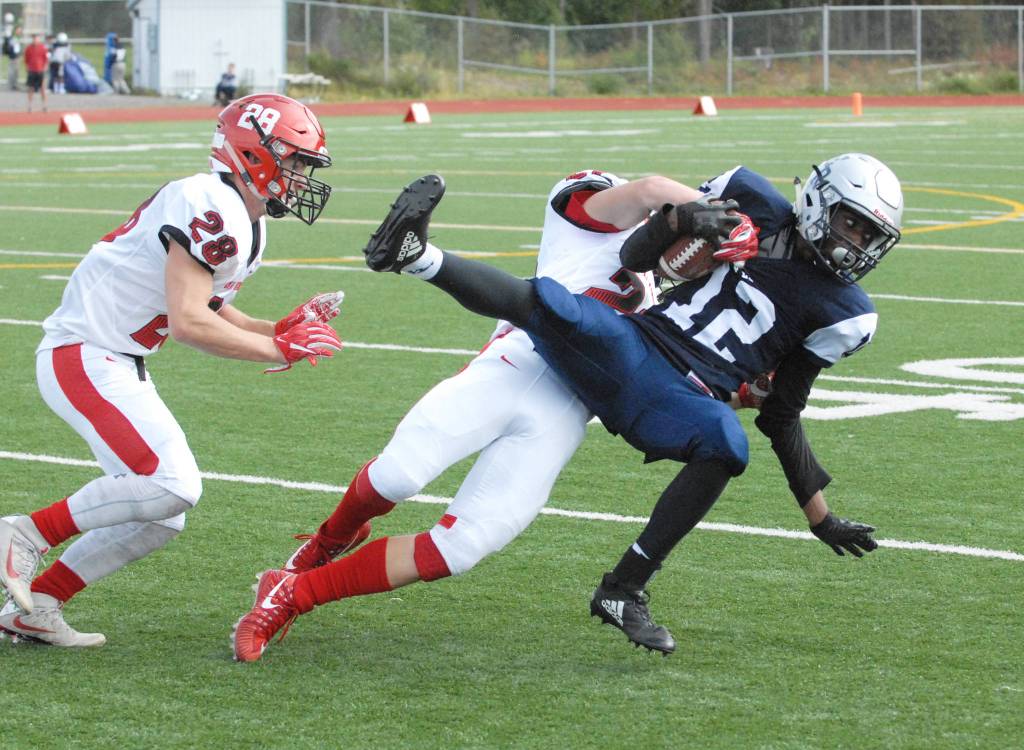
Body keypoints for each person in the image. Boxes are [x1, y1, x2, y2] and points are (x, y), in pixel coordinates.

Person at [306, 153, 897, 655]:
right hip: (640, 345)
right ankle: (415, 256)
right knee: (556, 305)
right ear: (820, 201)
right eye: (851, 223)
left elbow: (781, 412)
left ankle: (625, 587)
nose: (856, 244)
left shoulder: (848, 313)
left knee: (727, 442)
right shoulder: (750, 198)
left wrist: (819, 515)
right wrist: (686, 221)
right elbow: (639, 256)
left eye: (870, 235)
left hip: (683, 397)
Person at [230, 170, 765, 662]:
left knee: (461, 547)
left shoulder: (679, 301)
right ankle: (328, 539)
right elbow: (648, 190)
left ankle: (291, 593)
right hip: (514, 364)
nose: (696, 256)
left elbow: (678, 386)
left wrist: (744, 395)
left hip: (566, 414)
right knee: (399, 475)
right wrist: (714, 211)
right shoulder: (592, 225)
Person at [0, 93, 342, 648]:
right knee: (172, 484)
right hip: (83, 351)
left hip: (114, 358)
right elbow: (188, 323)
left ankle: (38, 606)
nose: (301, 176)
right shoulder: (209, 201)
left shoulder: (244, 218)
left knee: (160, 514)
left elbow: (206, 304)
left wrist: (272, 329)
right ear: (253, 153)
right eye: (294, 160)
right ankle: (26, 533)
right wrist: (279, 351)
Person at [23, 33, 48, 112]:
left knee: (42, 88)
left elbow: (46, 59)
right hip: (32, 70)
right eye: (33, 38)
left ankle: (44, 105)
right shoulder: (29, 48)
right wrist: (27, 68)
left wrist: (45, 67)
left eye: (36, 38)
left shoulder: (43, 48)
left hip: (40, 70)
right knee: (31, 88)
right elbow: (26, 59)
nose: (35, 40)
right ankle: (30, 106)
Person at [2, 23, 20, 91]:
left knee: (15, 72)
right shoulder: (13, 37)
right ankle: (12, 85)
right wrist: (14, 55)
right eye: (18, 30)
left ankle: (14, 84)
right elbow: (13, 48)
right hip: (13, 57)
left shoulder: (16, 37)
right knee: (12, 71)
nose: (19, 31)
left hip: (16, 56)